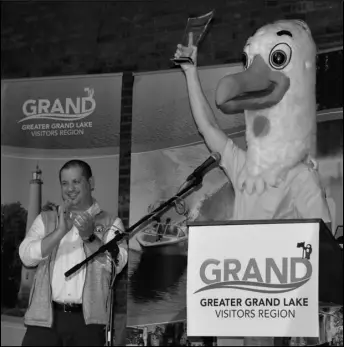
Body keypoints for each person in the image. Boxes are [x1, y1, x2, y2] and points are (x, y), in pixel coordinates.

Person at [174, 23, 332, 346]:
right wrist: (191, 73)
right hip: (241, 301)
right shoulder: (242, 164)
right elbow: (207, 128)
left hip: (280, 304)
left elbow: (323, 246)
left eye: (275, 59)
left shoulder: (301, 175)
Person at [19, 159, 128, 346]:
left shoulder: (111, 222)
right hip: (44, 320)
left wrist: (89, 237)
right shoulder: (46, 219)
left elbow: (116, 265)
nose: (70, 188)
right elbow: (26, 257)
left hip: (87, 324)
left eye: (76, 182)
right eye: (65, 183)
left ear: (91, 183)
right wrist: (59, 232)